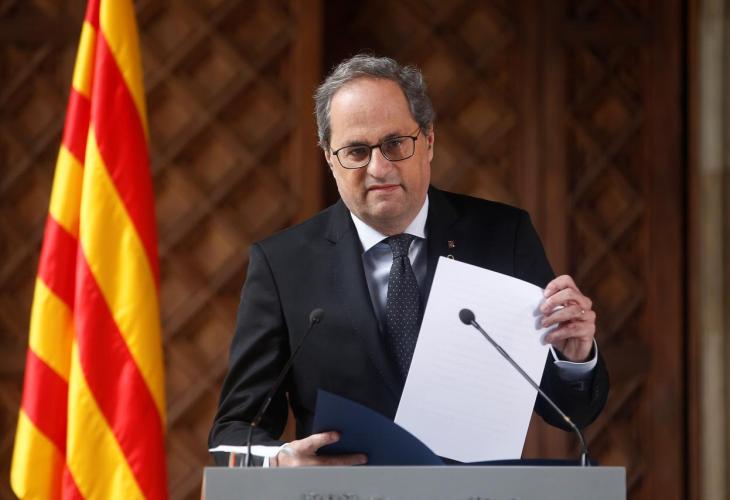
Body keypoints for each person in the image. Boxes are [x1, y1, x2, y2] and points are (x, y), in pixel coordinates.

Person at [209, 54, 608, 467]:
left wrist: (574, 358)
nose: (379, 168)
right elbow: (232, 432)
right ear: (329, 157)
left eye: (395, 144)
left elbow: (571, 413)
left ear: (428, 142)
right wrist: (278, 462)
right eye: (356, 151)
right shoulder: (282, 265)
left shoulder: (503, 237)